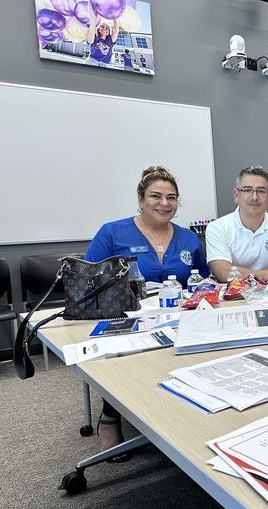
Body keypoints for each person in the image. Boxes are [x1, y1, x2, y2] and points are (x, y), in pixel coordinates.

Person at [85, 165, 209, 454]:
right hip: (125, 315)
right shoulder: (113, 232)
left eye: (172, 197)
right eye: (156, 196)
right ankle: (110, 416)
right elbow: (89, 279)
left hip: (178, 316)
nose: (164, 203)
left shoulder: (188, 238)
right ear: (141, 199)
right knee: (121, 350)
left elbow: (203, 279)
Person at [205, 166, 268, 282]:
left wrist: (243, 274)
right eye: (247, 190)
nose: (254, 197)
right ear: (236, 195)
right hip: (232, 296)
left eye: (261, 191)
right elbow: (223, 272)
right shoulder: (217, 228)